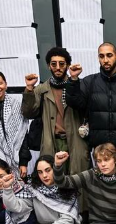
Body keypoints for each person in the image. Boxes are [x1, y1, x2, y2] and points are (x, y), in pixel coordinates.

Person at [65, 42, 116, 176]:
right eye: (101, 56)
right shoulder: (90, 82)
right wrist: (73, 79)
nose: (105, 60)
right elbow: (75, 103)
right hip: (100, 149)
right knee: (103, 190)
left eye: (109, 55)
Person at [2, 155, 79, 224]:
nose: (44, 175)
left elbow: (67, 221)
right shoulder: (35, 189)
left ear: (56, 169)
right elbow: (16, 207)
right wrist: (7, 189)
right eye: (40, 172)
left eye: (48, 170)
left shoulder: (67, 186)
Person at [22, 47, 88, 177]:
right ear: (48, 66)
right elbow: (28, 113)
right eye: (54, 64)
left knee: (77, 179)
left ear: (68, 65)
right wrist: (29, 89)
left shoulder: (79, 86)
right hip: (51, 141)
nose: (58, 67)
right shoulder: (41, 89)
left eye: (62, 64)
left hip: (75, 140)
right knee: (53, 181)